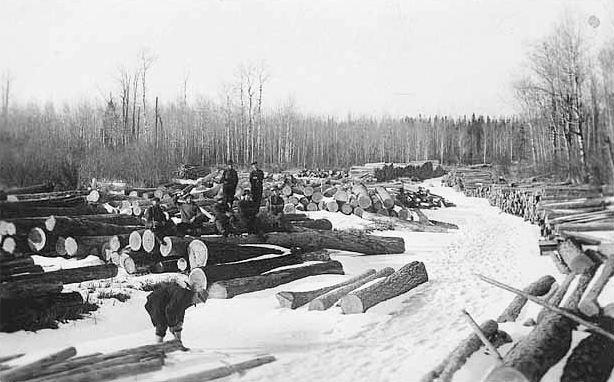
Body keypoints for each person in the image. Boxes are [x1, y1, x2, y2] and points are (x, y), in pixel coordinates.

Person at [144, 279, 208, 345]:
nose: (199, 302)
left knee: (176, 325)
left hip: (164, 303)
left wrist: (180, 322)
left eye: (201, 302)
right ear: (196, 295)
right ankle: (158, 346)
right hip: (156, 300)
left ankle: (178, 343)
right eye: (199, 300)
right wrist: (172, 325)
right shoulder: (183, 295)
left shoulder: (190, 299)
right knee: (162, 324)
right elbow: (170, 310)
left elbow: (180, 310)